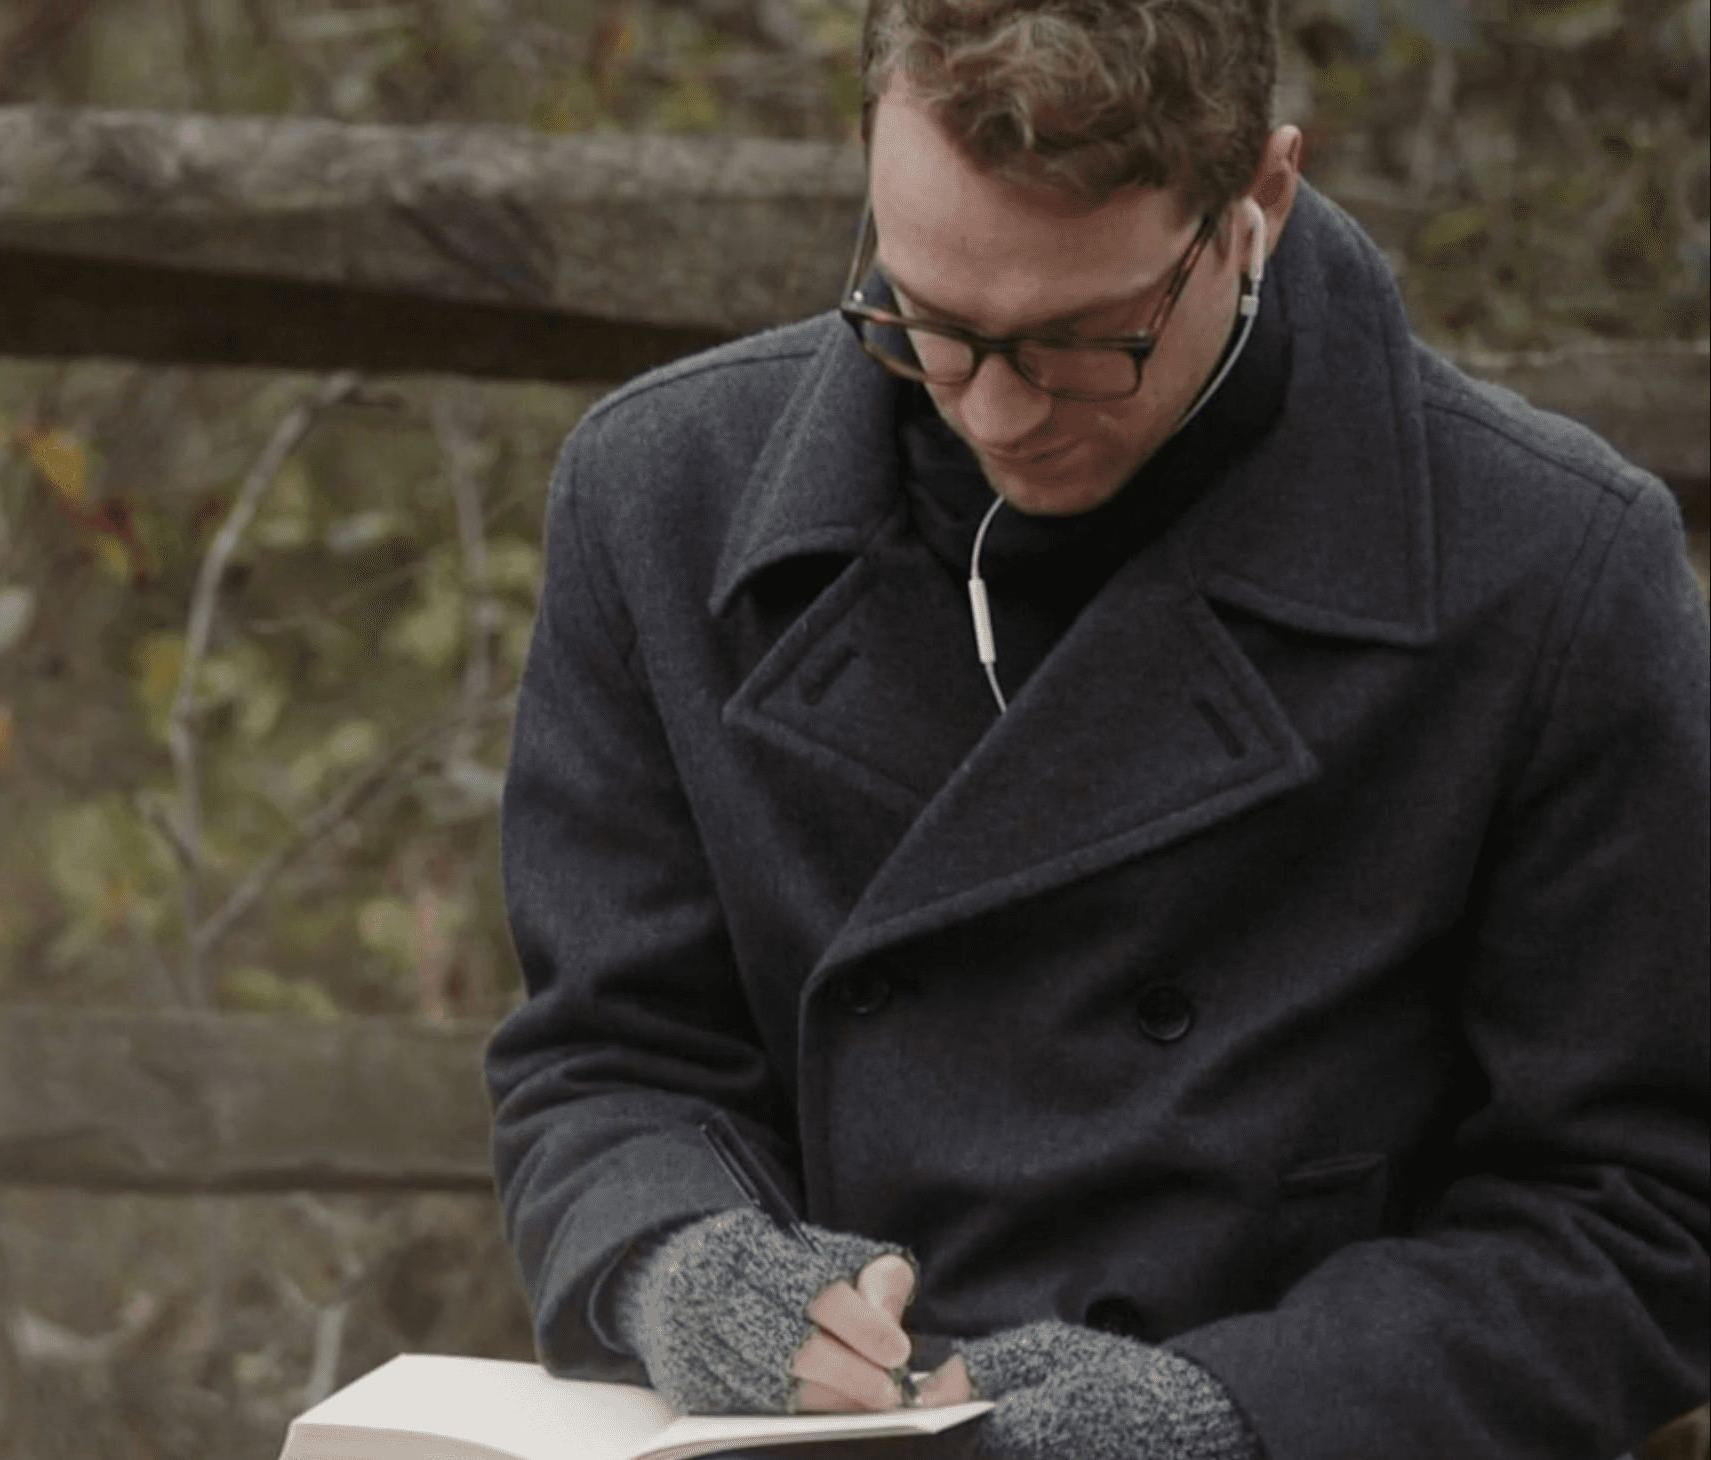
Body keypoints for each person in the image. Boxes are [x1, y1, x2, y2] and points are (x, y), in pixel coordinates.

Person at [482, 0, 1710, 1457]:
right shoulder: (659, 499)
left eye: (1084, 340)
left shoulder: (1552, 572)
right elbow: (609, 1062)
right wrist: (680, 1265)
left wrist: (1231, 1416)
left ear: (1259, 201)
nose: (999, 412)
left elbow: (1644, 1208)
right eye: (929, 321)